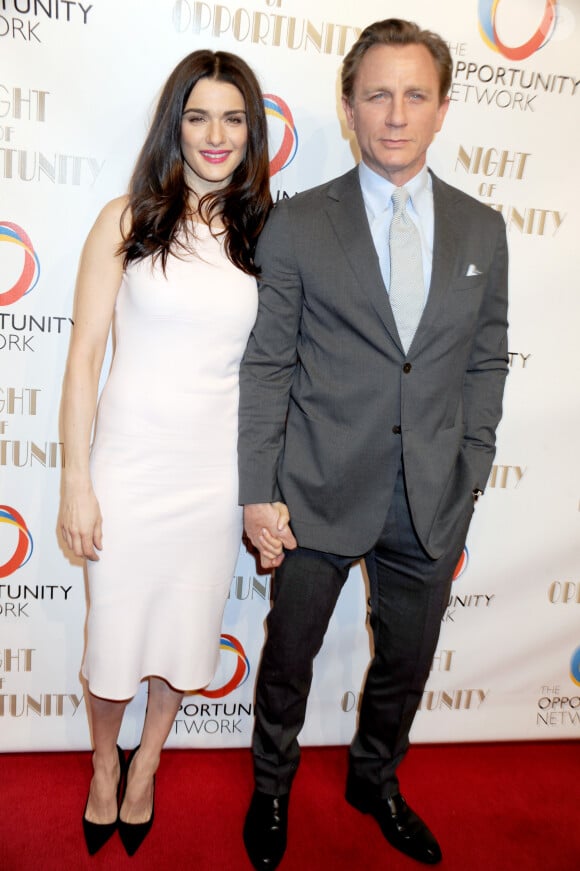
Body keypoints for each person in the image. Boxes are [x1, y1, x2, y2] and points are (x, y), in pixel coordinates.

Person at [239, 18, 508, 869]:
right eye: (377, 95)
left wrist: (471, 466)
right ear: (349, 108)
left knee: (407, 662)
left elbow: (487, 355)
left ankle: (374, 779)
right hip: (315, 487)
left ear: (442, 109)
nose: (396, 113)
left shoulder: (482, 228)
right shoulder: (296, 225)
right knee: (288, 659)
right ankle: (273, 784)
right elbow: (268, 365)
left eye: (414, 95)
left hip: (432, 492)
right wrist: (258, 489)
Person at [59, 49, 272, 857]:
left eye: (232, 117)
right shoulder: (126, 218)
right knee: (113, 633)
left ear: (251, 131)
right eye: (197, 115)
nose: (215, 135)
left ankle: (145, 762)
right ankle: (102, 769)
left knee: (185, 635)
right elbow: (82, 359)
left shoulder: (266, 236)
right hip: (126, 466)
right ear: (173, 124)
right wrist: (77, 481)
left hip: (214, 478)